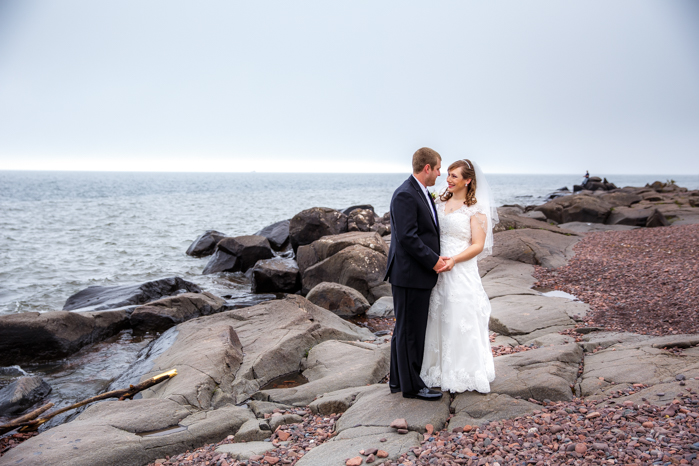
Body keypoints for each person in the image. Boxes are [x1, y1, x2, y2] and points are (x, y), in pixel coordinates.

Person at [420, 159, 498, 393]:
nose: (448, 179)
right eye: (448, 175)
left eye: (454, 176)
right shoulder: (439, 201)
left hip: (460, 269)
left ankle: (464, 371)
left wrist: (454, 260)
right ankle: (437, 369)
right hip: (437, 267)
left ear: (468, 180)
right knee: (438, 316)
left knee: (460, 317)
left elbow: (478, 245)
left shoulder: (476, 210)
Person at [384, 147, 446, 401]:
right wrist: (434, 262)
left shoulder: (420, 193)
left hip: (412, 274)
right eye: (439, 168)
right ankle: (412, 386)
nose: (440, 174)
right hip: (410, 274)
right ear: (427, 168)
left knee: (404, 328)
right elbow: (407, 237)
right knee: (411, 331)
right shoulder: (406, 195)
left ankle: (398, 380)